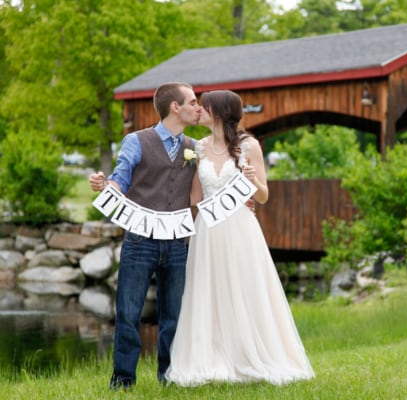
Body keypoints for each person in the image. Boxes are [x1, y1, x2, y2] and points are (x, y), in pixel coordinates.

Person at [165, 90, 314, 386]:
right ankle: (212, 358)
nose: (199, 111)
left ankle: (250, 356)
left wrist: (251, 179)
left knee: (244, 288)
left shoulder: (249, 146)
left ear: (219, 111)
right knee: (209, 291)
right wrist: (183, 170)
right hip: (208, 229)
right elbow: (195, 196)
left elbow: (263, 195)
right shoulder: (200, 147)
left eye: (204, 106)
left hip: (239, 228)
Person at [89, 82, 201, 390]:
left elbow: (199, 194)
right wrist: (104, 184)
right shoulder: (136, 141)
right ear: (174, 107)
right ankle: (123, 381)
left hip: (178, 242)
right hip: (140, 241)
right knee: (128, 313)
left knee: (174, 316)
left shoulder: (194, 146)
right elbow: (119, 180)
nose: (197, 107)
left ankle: (170, 378)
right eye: (192, 102)